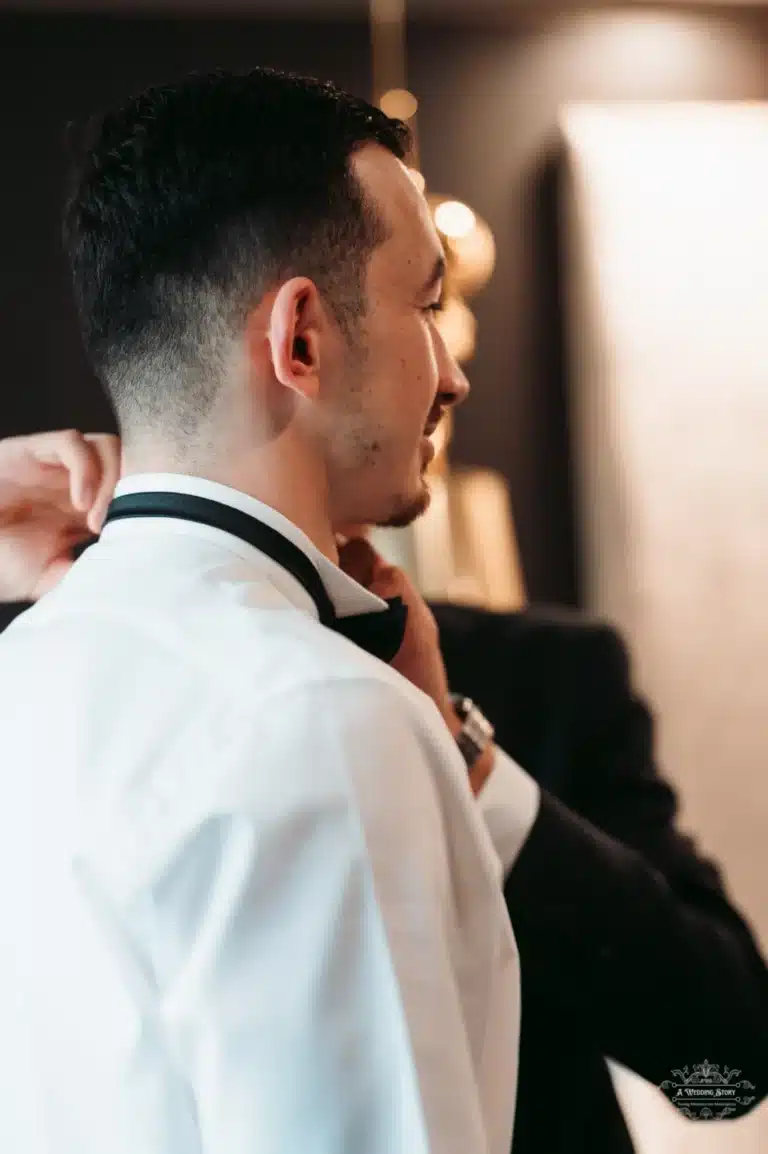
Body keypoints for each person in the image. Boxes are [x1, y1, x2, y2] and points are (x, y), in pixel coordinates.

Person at [0, 71, 540, 1154]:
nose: (455, 377)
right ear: (300, 339)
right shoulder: (324, 715)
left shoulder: (26, 667)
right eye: (425, 301)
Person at [4, 425, 768, 1154]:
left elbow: (727, 1073)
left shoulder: (550, 677)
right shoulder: (64, 683)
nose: (450, 374)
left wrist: (463, 755)